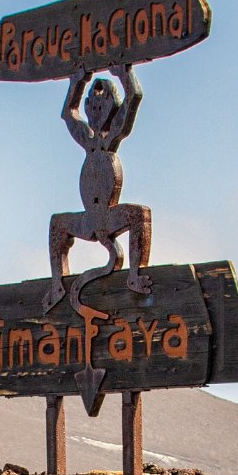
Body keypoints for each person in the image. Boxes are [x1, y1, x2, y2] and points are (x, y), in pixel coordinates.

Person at [45, 62, 152, 312]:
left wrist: (125, 74)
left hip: (108, 213)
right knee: (57, 224)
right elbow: (68, 114)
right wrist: (76, 83)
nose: (95, 108)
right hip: (88, 218)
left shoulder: (112, 137)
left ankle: (135, 275)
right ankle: (58, 284)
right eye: (92, 104)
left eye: (101, 105)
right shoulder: (86, 139)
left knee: (140, 216)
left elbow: (133, 97)